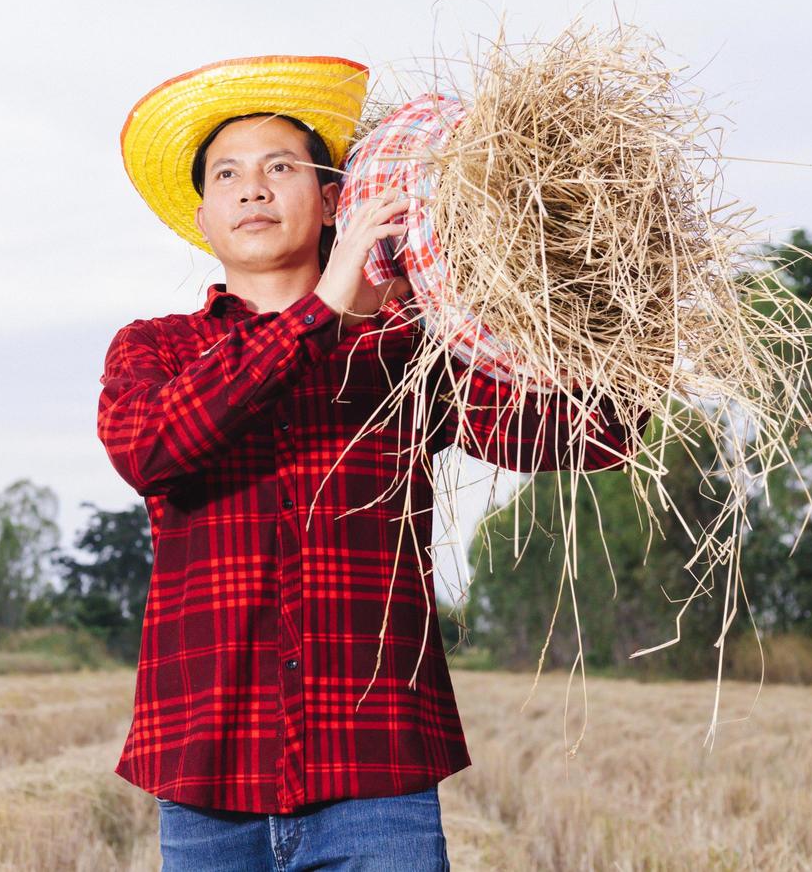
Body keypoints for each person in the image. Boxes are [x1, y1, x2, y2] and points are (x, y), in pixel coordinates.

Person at [98, 55, 642, 870]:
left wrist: (607, 296)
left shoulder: (404, 350)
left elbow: (588, 434)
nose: (253, 189)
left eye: (281, 168)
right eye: (228, 175)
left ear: (330, 204)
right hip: (207, 777)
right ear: (204, 218)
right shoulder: (158, 349)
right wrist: (322, 310)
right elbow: (150, 447)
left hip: (376, 774)